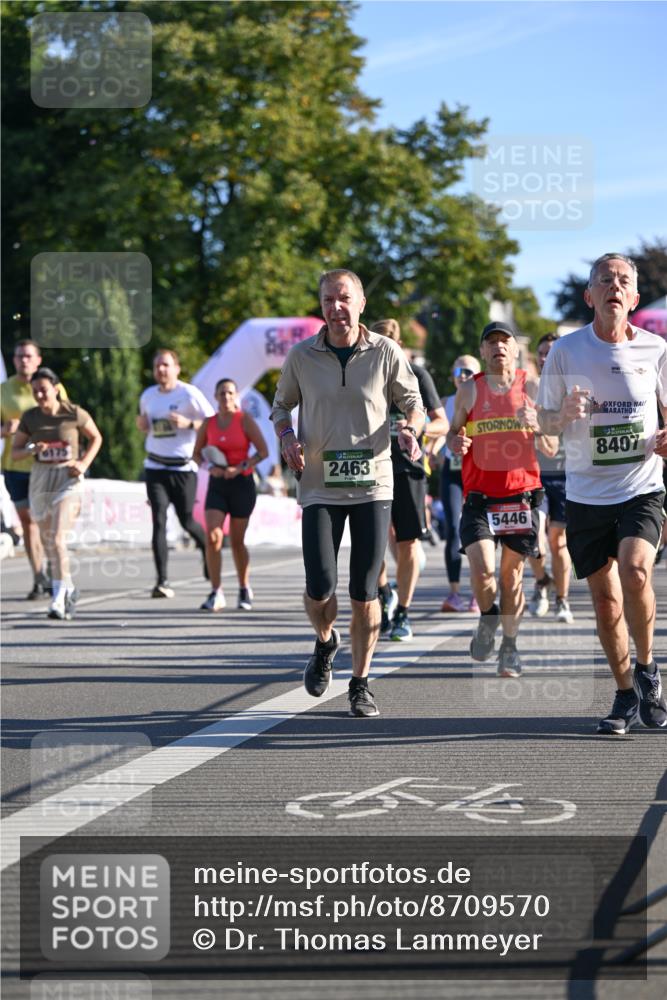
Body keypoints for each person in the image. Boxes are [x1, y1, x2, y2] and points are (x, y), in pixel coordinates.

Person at [271, 269, 424, 718]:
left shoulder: (385, 351)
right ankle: (325, 642)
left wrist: (412, 429)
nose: (335, 308)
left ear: (360, 304)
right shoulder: (302, 356)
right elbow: (281, 406)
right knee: (320, 587)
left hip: (373, 484)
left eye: (343, 299)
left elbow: (412, 402)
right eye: (327, 300)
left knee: (364, 591)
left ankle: (360, 682)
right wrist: (286, 436)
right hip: (318, 484)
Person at [537, 252, 667, 734]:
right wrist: (563, 414)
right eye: (604, 279)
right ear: (590, 296)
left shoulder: (656, 349)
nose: (614, 286)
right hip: (588, 495)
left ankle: (648, 666)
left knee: (635, 571)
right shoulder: (567, 352)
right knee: (606, 600)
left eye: (623, 280)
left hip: (641, 487)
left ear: (633, 298)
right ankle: (624, 693)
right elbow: (543, 430)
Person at [445, 321, 558, 678]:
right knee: (482, 570)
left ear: (515, 349)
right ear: (482, 351)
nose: (498, 347)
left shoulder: (534, 387)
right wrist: (455, 442)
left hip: (521, 498)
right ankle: (489, 616)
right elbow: (452, 433)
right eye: (490, 342)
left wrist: (538, 425)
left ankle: (509, 647)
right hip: (479, 498)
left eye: (504, 342)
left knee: (511, 578)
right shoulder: (469, 390)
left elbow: (553, 447)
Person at [371, 319, 448, 641]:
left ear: (399, 345)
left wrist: (415, 429)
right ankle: (385, 591)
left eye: (390, 343)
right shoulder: (365, 375)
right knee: (374, 542)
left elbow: (441, 423)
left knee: (407, 542)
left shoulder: (417, 375)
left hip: (408, 468)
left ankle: (402, 610)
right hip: (371, 468)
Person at [11, 368, 102, 620]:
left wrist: (83, 463)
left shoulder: (73, 412)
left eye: (44, 389)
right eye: (35, 390)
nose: (40, 394)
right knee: (49, 541)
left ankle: (58, 598)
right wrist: (32, 448)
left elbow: (96, 438)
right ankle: (68, 586)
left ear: (56, 388)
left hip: (68, 478)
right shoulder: (30, 417)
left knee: (58, 539)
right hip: (40, 478)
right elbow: (14, 453)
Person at [137, 349, 214, 598]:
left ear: (177, 368)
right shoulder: (148, 396)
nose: (161, 370)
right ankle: (162, 582)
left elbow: (213, 422)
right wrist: (143, 426)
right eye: (158, 365)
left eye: (166, 365)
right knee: (158, 520)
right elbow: (145, 425)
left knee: (187, 521)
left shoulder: (188, 393)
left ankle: (208, 551)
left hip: (183, 467)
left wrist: (188, 424)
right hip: (155, 466)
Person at [194, 378, 269, 611]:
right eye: (222, 393)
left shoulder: (244, 420)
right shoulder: (209, 423)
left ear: (236, 396)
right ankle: (216, 591)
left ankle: (244, 587)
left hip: (241, 483)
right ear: (215, 397)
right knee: (213, 536)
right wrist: (210, 467)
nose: (226, 397)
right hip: (218, 484)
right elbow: (196, 455)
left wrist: (242, 466)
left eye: (230, 393)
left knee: (237, 542)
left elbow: (263, 452)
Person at [1, 339, 67, 598]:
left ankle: (55, 571)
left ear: (38, 360)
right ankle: (38, 577)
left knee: (47, 522)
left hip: (49, 465)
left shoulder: (53, 386)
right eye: (19, 356)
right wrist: (5, 430)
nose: (23, 360)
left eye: (28, 356)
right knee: (28, 523)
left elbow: (67, 419)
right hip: (15, 464)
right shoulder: (4, 390)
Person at [526, 334, 575, 624]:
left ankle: (562, 600)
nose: (546, 357)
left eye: (551, 353)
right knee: (534, 539)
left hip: (567, 474)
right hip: (534, 474)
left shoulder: (572, 388)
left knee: (558, 542)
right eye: (542, 353)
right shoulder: (529, 388)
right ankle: (542, 581)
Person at [438, 354, 481, 613]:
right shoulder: (445, 402)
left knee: (478, 533)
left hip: (478, 473)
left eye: (469, 372)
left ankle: (479, 592)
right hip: (452, 474)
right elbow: (438, 430)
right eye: (458, 372)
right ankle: (454, 593)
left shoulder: (486, 401)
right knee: (453, 529)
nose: (463, 376)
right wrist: (433, 446)